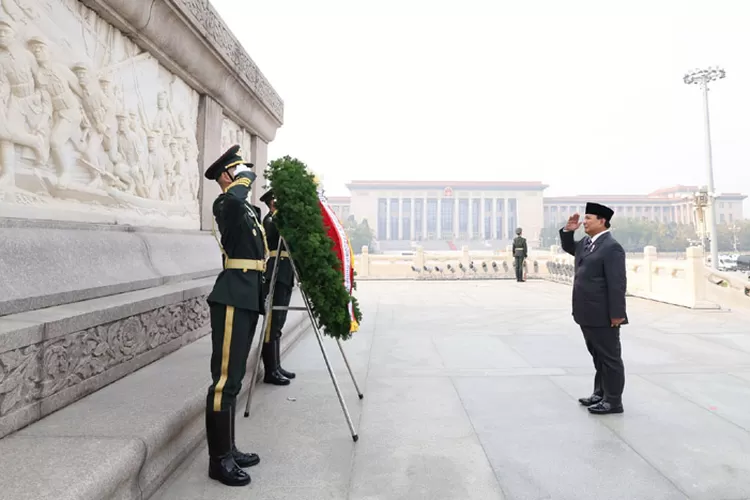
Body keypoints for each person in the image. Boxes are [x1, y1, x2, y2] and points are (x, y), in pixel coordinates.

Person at [203, 144, 269, 487]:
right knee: (224, 380)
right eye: (241, 171)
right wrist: (240, 182)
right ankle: (219, 460)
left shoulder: (245, 209)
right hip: (232, 296)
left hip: (247, 296)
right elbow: (231, 200)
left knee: (235, 378)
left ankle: (228, 448)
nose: (248, 177)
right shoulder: (225, 204)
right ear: (227, 175)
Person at [559, 202, 627, 415]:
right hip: (586, 312)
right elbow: (570, 247)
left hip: (603, 314)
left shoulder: (611, 247)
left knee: (610, 358)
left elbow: (617, 283)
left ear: (602, 221)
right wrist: (568, 232)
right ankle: (600, 393)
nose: (584, 222)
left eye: (589, 218)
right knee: (598, 356)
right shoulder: (587, 244)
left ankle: (614, 401)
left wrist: (617, 314)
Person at [259, 188, 296, 385]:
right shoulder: (271, 220)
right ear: (273, 202)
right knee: (271, 324)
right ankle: (270, 371)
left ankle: (277, 365)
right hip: (275, 272)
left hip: (284, 272)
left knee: (279, 322)